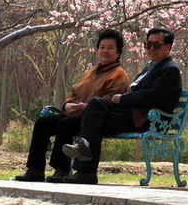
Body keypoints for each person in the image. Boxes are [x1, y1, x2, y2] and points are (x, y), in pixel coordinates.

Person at [61, 27, 182, 184]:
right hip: (129, 113)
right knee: (95, 106)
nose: (152, 48)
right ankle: (84, 163)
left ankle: (86, 168)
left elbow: (150, 95)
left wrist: (123, 99)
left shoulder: (170, 69)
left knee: (95, 116)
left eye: (157, 45)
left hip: (148, 120)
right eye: (148, 44)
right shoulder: (150, 67)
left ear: (168, 47)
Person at [14, 29, 130, 183]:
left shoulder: (119, 75)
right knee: (43, 123)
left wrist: (85, 107)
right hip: (75, 113)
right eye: (102, 47)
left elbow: (110, 100)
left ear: (118, 52)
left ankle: (61, 170)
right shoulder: (90, 72)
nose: (105, 51)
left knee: (65, 124)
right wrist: (68, 104)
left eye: (110, 47)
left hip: (94, 118)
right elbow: (74, 91)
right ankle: (35, 169)